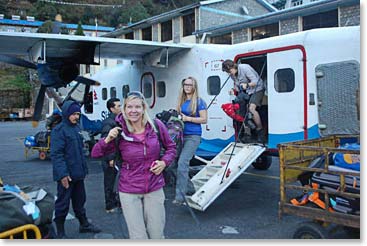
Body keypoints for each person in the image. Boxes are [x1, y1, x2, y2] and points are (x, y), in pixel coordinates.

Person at [91, 91, 176, 239]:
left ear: (144, 108)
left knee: (157, 234)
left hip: (154, 185)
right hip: (129, 188)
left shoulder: (156, 126)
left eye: (137, 107)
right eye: (129, 107)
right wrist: (107, 139)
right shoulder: (118, 130)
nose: (133, 111)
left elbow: (171, 147)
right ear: (124, 109)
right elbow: (95, 154)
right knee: (138, 237)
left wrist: (164, 162)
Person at [50, 100, 101, 239]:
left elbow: (80, 152)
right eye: (73, 114)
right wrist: (63, 175)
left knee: (80, 201)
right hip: (66, 176)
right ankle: (60, 231)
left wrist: (84, 171)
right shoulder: (58, 131)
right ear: (66, 114)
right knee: (63, 204)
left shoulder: (77, 128)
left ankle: (84, 224)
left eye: (78, 114)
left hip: (78, 174)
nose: (76, 117)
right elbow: (56, 155)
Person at [173, 77, 207, 204]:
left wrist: (188, 118)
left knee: (182, 163)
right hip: (180, 135)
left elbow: (204, 119)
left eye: (190, 85)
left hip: (193, 136)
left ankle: (180, 197)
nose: (187, 87)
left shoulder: (199, 101)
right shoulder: (181, 101)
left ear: (194, 87)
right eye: (185, 84)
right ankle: (190, 187)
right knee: (172, 164)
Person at [222, 59, 265, 141]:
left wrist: (247, 85)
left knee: (251, 109)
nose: (229, 73)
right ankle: (247, 135)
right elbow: (238, 87)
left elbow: (255, 81)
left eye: (229, 71)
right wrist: (234, 90)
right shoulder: (232, 75)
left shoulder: (244, 68)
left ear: (231, 67)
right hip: (248, 92)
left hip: (258, 89)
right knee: (242, 112)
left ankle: (260, 132)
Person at [101, 98, 121, 213]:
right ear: (112, 108)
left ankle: (115, 201)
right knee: (109, 181)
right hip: (111, 157)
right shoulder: (108, 123)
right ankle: (109, 204)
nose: (120, 108)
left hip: (116, 156)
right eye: (118, 106)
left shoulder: (117, 121)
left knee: (115, 180)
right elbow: (107, 142)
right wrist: (110, 158)